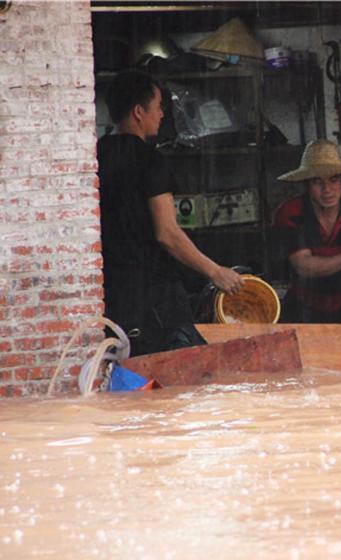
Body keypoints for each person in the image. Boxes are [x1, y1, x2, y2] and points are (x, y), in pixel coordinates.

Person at [98, 69, 243, 357]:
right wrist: (215, 272)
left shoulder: (96, 154)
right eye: (158, 106)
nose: (162, 114)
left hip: (111, 291)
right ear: (139, 112)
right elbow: (167, 234)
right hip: (152, 295)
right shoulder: (150, 160)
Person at [273, 140, 341, 323]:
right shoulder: (290, 213)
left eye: (333, 180)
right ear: (306, 184)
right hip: (304, 307)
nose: (327, 190)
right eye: (317, 181)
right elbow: (305, 266)